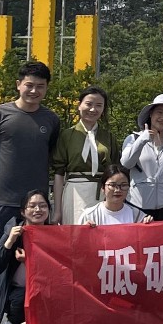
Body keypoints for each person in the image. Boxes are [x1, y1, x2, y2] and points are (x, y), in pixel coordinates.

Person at [0, 61, 60, 324]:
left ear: (47, 88)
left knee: (32, 259)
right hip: (2, 199)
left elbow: (51, 157)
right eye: (29, 85)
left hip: (35, 205)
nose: (34, 91)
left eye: (40, 86)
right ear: (18, 85)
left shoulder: (51, 119)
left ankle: (23, 312)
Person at [0, 189, 52, 324]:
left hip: (47, 288)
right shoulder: (14, 232)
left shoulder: (55, 232)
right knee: (23, 296)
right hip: (17, 291)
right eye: (32, 206)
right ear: (23, 212)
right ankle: (12, 322)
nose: (38, 210)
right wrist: (9, 242)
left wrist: (88, 229)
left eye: (43, 206)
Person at [51, 85, 116, 224]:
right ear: (79, 105)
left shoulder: (108, 137)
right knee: (75, 232)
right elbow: (59, 173)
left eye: (99, 105)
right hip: (74, 193)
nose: (93, 109)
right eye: (89, 104)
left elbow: (116, 171)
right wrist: (57, 210)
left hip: (103, 193)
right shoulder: (67, 135)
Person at [121, 93, 163, 222]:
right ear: (150, 114)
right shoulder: (133, 138)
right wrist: (142, 140)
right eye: (159, 112)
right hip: (137, 204)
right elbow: (126, 163)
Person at [77, 168, 147, 226]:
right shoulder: (89, 215)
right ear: (103, 188)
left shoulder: (137, 216)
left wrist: (148, 223)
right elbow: (77, 238)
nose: (118, 190)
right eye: (112, 185)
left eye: (123, 185)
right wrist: (84, 231)